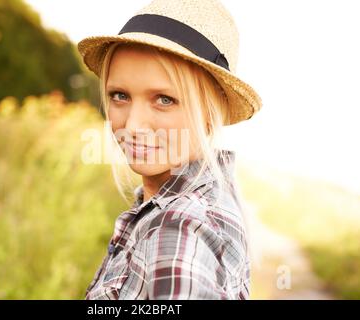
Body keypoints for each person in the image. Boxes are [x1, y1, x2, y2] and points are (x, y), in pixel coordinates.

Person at [77, 0, 262, 299]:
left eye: (164, 99)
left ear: (209, 109)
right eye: (120, 95)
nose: (134, 125)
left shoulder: (179, 229)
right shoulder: (199, 201)